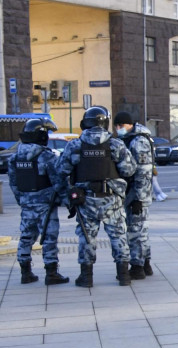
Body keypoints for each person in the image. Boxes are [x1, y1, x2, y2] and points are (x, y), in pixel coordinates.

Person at [55, 106, 137, 287]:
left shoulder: (75, 145)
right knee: (118, 235)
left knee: (87, 237)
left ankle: (86, 277)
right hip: (112, 199)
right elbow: (129, 170)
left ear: (85, 123)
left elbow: (61, 170)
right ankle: (124, 275)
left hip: (85, 200)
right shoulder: (115, 144)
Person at [9, 118, 69, 285]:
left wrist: (23, 200)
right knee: (49, 238)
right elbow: (58, 182)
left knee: (26, 237)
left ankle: (25, 272)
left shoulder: (15, 158)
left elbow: (14, 184)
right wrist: (67, 201)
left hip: (27, 204)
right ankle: (51, 273)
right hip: (46, 205)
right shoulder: (46, 156)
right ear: (41, 136)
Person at [113, 112, 156, 279]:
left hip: (137, 193)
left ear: (129, 124)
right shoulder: (130, 139)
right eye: (116, 126)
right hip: (133, 192)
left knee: (136, 230)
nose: (118, 129)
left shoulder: (139, 141)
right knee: (141, 229)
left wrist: (138, 197)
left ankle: (138, 266)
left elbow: (143, 172)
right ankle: (145, 264)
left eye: (121, 126)